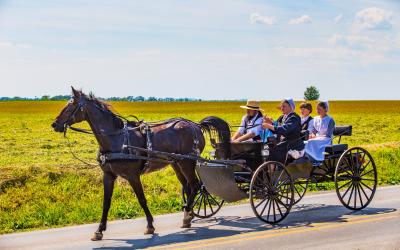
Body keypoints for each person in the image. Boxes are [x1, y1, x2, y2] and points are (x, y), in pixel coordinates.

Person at [262, 98, 305, 164]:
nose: (282, 108)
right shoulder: (282, 117)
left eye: (284, 106)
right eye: (281, 106)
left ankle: (272, 172)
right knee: (265, 147)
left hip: (292, 144)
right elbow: (278, 129)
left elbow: (285, 129)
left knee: (271, 151)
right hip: (283, 142)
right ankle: (267, 169)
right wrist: (270, 123)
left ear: (291, 107)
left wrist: (269, 126)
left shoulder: (294, 118)